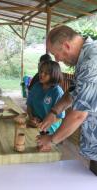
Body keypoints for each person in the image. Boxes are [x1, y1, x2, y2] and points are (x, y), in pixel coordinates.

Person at [36, 25, 97, 162]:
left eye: (55, 54)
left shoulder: (91, 63)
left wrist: (51, 140)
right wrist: (53, 112)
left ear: (66, 46)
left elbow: (78, 115)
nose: (56, 60)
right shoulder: (85, 56)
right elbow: (72, 93)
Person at [27, 60, 65, 151]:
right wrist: (32, 117)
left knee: (40, 149)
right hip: (35, 125)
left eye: (46, 73)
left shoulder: (57, 92)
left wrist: (44, 124)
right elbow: (29, 105)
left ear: (53, 75)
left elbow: (60, 117)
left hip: (50, 129)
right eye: (41, 71)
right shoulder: (36, 86)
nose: (41, 74)